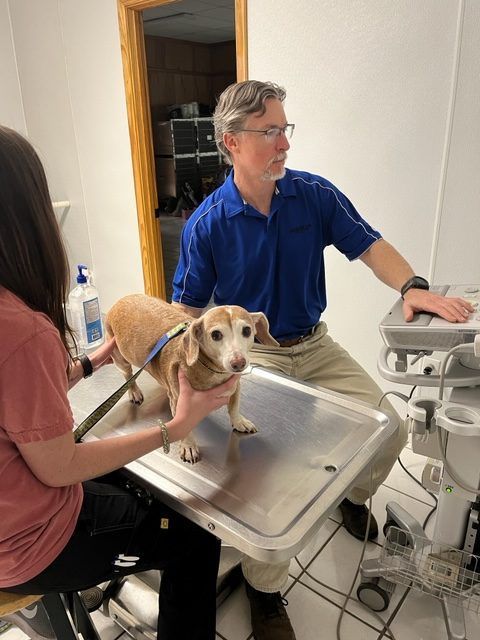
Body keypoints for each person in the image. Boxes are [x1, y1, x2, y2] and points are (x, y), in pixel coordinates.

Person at [171, 80, 474, 640]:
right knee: (273, 473)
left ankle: (353, 498)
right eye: (269, 132)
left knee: (389, 428)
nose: (283, 143)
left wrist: (413, 285)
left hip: (315, 344)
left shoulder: (313, 195)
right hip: (254, 356)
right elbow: (184, 311)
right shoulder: (206, 224)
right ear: (230, 141)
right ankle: (265, 592)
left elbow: (368, 243)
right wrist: (183, 375)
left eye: (286, 129)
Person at [0, 125, 238, 640]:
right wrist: (175, 427)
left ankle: (108, 575)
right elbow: (61, 465)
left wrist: (90, 363)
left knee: (130, 481)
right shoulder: (19, 328)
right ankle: (107, 572)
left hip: (13, 508)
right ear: (27, 218)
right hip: (29, 544)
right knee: (196, 538)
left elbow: (16, 398)